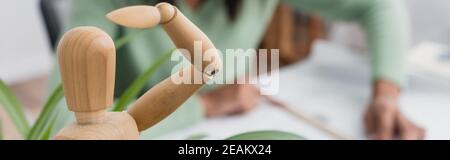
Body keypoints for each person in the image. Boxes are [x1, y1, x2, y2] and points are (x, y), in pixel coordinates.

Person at [54, 0, 424, 139]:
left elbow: (380, 6)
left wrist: (386, 95)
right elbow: (65, 125)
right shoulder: (102, 12)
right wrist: (208, 105)